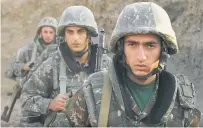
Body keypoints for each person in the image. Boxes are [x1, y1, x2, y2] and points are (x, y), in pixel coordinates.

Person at [64, 2, 202, 127]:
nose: (141, 57)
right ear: (121, 49)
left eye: (150, 46)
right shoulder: (92, 92)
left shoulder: (182, 99)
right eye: (132, 44)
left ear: (163, 51)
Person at [20, 6, 109, 127]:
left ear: (88, 35)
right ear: (64, 35)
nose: (75, 38)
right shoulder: (52, 64)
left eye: (80, 31)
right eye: (70, 32)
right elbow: (25, 100)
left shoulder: (106, 65)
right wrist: (50, 104)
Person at [5, 16, 58, 86]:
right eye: (45, 32)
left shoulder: (60, 49)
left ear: (55, 34)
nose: (48, 35)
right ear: (40, 33)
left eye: (51, 32)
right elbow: (9, 70)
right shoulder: (28, 50)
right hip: (30, 88)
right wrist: (24, 67)